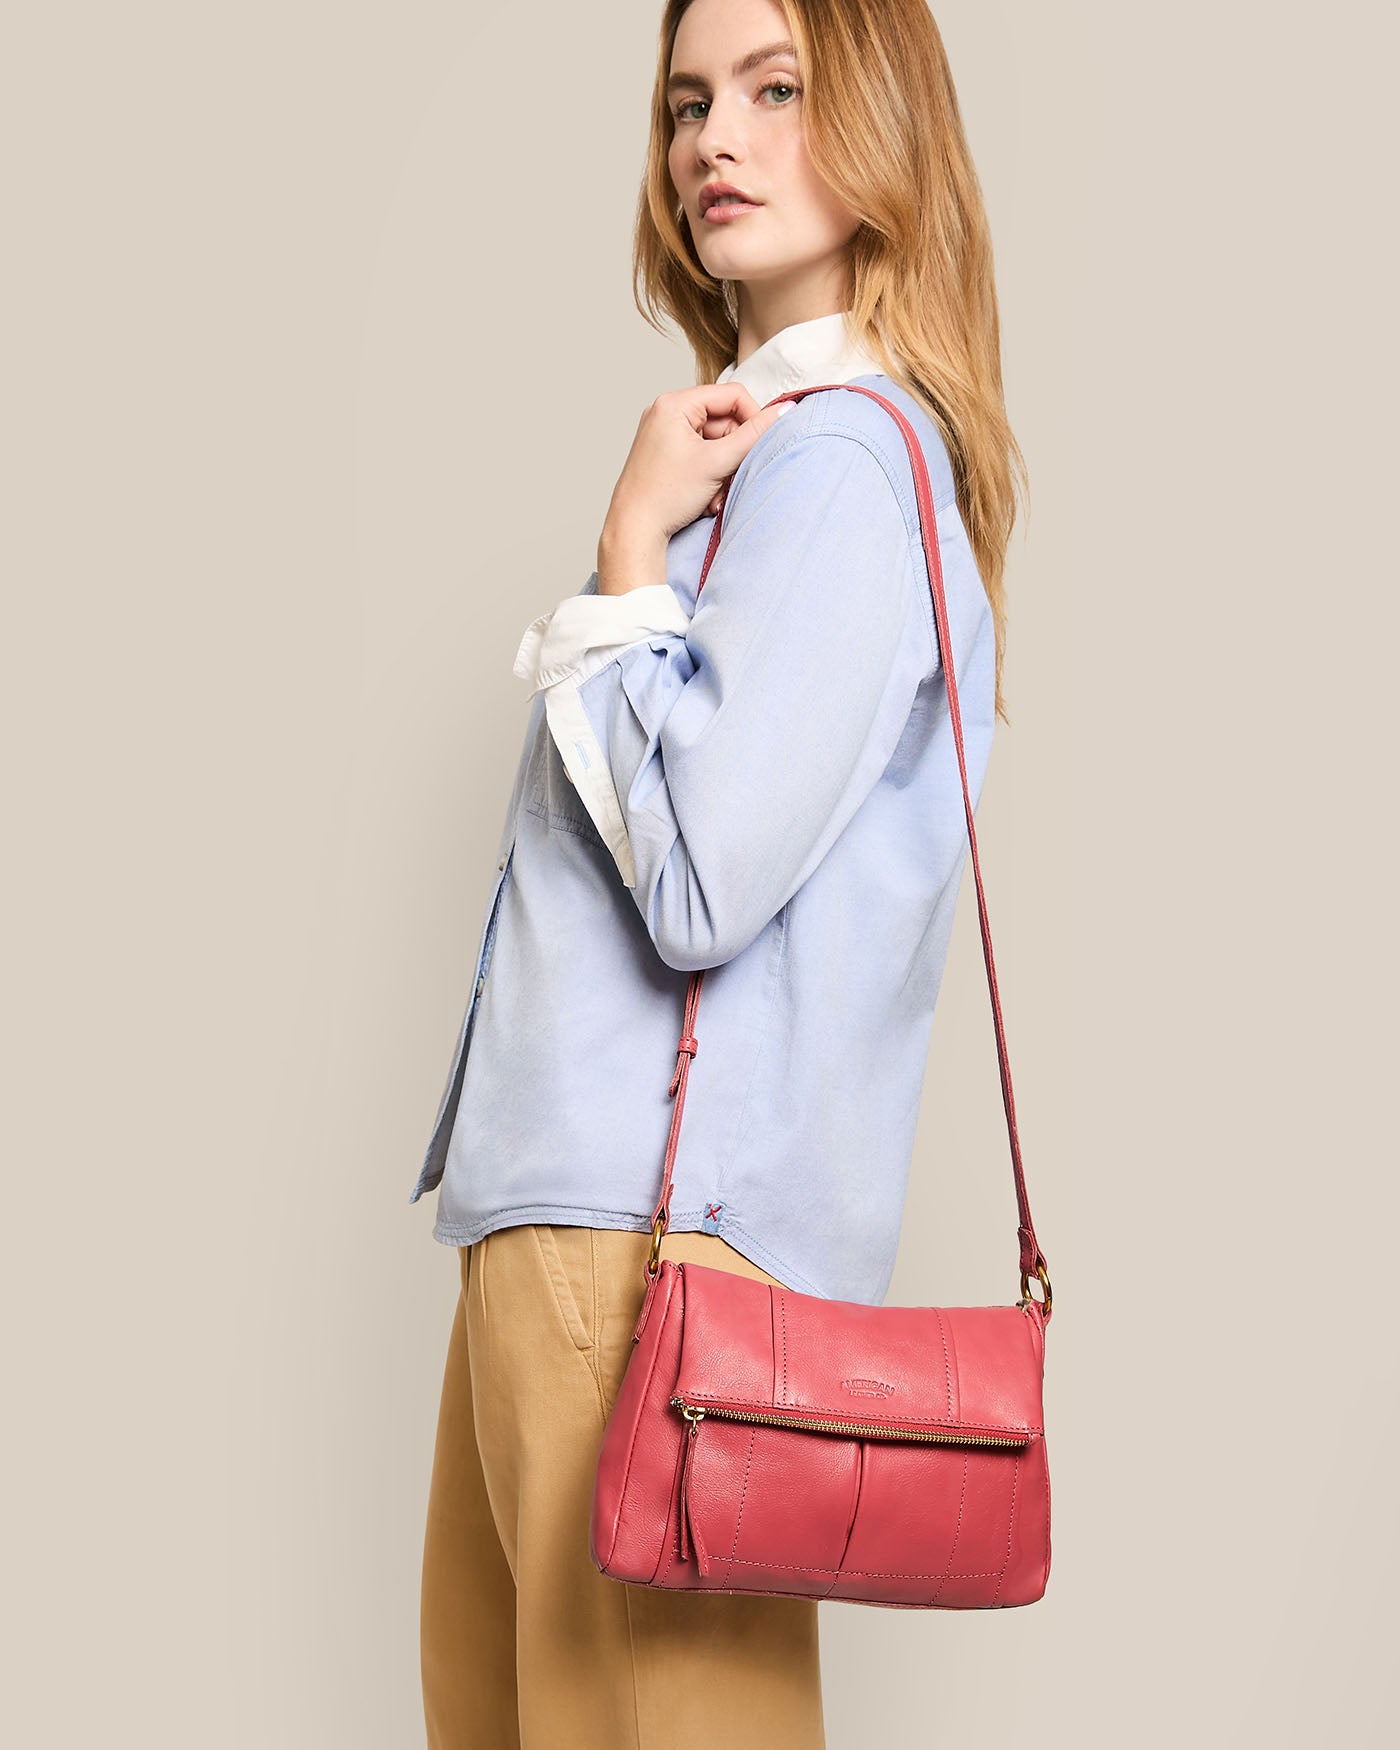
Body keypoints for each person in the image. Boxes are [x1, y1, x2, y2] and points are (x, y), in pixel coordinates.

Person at [414, 0, 1027, 1743]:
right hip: (573, 1226)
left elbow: (698, 888)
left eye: (775, 91)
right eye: (688, 102)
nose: (712, 141)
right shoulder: (755, 455)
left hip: (643, 1244)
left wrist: (621, 548)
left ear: (886, 130)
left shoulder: (836, 461)